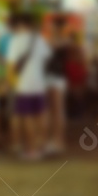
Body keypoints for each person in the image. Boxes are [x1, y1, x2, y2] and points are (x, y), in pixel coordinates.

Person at [5, 12, 51, 160]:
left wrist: (8, 83)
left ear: (19, 25)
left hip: (23, 85)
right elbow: (46, 59)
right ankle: (41, 146)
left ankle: (31, 150)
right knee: (41, 115)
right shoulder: (40, 39)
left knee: (27, 117)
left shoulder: (16, 41)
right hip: (39, 84)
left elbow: (11, 66)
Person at [43, 16, 72, 156]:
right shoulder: (50, 40)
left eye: (51, 26)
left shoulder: (64, 41)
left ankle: (59, 141)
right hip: (48, 77)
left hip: (58, 77)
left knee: (58, 110)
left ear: (57, 27)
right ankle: (51, 140)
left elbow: (54, 49)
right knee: (50, 110)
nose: (49, 28)